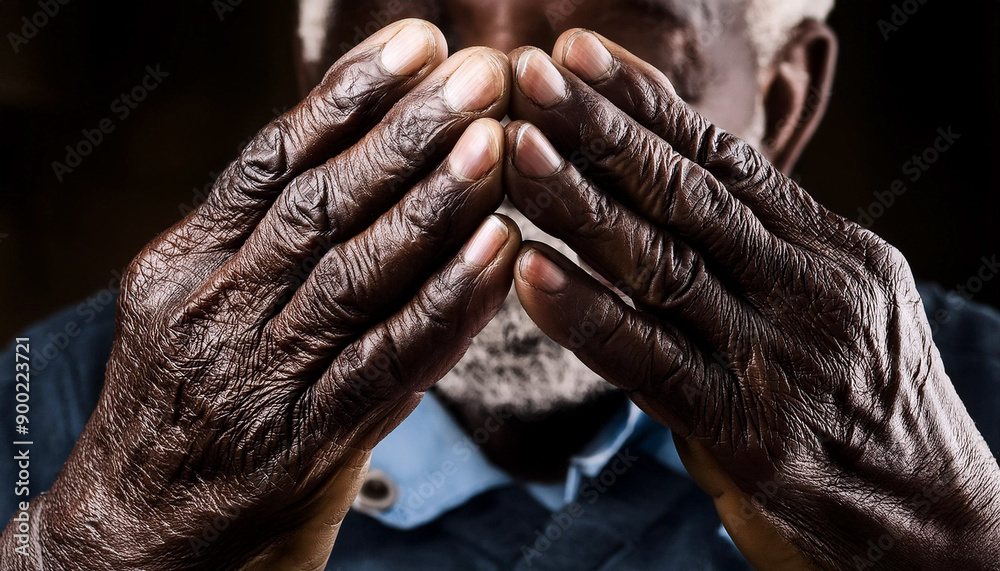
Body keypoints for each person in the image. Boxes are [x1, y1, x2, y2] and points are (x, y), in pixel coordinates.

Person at [3, 0, 1000, 568]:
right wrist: (87, 550)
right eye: (420, 30)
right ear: (320, 80)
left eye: (615, 34)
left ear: (781, 101)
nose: (497, 114)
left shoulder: (972, 413)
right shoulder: (48, 410)